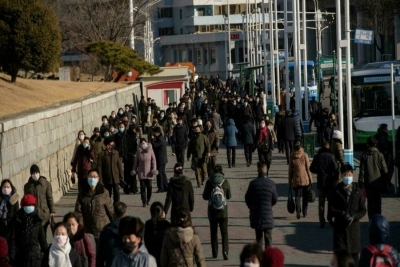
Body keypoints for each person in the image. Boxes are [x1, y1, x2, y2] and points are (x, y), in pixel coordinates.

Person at [330, 164, 367, 265]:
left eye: (350, 174)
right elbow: (331, 209)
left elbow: (363, 210)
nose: (348, 177)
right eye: (346, 175)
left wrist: (354, 217)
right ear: (342, 176)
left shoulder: (357, 192)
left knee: (354, 259)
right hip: (340, 231)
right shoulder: (336, 190)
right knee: (341, 258)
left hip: (353, 230)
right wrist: (340, 214)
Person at [8, 194, 48, 267]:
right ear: (23, 206)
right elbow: (13, 240)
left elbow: (43, 241)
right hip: (20, 257)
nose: (29, 207)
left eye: (31, 205)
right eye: (27, 205)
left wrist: (46, 255)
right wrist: (11, 256)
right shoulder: (17, 221)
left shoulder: (37, 222)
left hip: (35, 257)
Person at [75, 169, 114, 241]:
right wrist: (81, 227)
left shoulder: (104, 193)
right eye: (91, 176)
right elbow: (78, 213)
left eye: (95, 177)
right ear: (87, 178)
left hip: (102, 229)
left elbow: (110, 210)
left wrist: (115, 225)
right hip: (88, 230)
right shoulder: (82, 194)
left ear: (98, 178)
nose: (92, 179)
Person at [245, 162, 278, 249]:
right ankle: (267, 260)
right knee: (268, 241)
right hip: (268, 215)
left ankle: (259, 260)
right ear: (266, 170)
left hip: (257, 215)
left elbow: (247, 199)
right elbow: (275, 199)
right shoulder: (271, 184)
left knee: (258, 240)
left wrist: (252, 207)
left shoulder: (253, 184)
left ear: (257, 170)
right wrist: (268, 205)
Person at [202, 165, 231, 260]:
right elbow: (229, 196)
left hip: (212, 211)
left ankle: (215, 253)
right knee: (224, 233)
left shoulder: (209, 182)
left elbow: (205, 196)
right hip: (223, 211)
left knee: (213, 233)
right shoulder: (225, 181)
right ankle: (225, 251)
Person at [310, 141, 339, 228]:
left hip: (321, 182)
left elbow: (311, 168)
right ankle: (330, 218)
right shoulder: (331, 156)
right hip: (330, 182)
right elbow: (336, 169)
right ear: (328, 147)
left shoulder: (317, 156)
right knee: (330, 201)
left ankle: (322, 221)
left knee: (321, 203)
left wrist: (318, 172)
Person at [359, 136, 388, 219]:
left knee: (370, 202)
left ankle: (371, 219)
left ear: (367, 144)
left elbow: (362, 171)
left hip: (368, 182)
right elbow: (385, 170)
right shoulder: (380, 155)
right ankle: (378, 218)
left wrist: (360, 182)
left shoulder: (364, 155)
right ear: (376, 144)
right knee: (378, 201)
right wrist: (384, 181)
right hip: (378, 182)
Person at [23, 164, 55, 235]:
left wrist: (52, 210)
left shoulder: (46, 184)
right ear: (31, 174)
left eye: (37, 173)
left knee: (43, 233)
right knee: (35, 235)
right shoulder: (27, 186)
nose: (35, 175)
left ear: (39, 173)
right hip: (33, 214)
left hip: (44, 213)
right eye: (33, 173)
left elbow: (49, 197)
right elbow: (26, 199)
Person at [97, 202, 127, 267]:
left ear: (114, 214)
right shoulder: (132, 229)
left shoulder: (106, 230)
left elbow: (100, 255)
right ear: (126, 214)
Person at [288, 140, 313, 219]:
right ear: (301, 146)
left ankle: (298, 210)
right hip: (305, 178)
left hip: (296, 178)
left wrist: (289, 181)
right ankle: (305, 212)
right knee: (305, 196)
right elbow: (308, 168)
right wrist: (311, 179)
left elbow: (290, 170)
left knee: (297, 196)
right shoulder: (304, 155)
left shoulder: (292, 156)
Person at [132, 138, 158, 207]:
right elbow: (136, 162)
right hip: (141, 172)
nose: (143, 144)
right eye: (142, 143)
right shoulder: (138, 151)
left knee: (149, 187)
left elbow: (153, 160)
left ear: (146, 143)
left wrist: (154, 169)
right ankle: (144, 201)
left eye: (144, 143)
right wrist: (134, 170)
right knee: (142, 188)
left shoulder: (150, 150)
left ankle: (148, 199)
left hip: (149, 172)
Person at [144, 202, 171, 266]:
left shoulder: (148, 224)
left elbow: (146, 241)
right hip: (164, 257)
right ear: (162, 212)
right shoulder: (166, 225)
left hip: (151, 256)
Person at [97, 138, 123, 203]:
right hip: (107, 178)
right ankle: (108, 205)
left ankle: (116, 205)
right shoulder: (102, 154)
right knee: (108, 194)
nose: (111, 146)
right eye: (109, 144)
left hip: (115, 177)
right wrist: (100, 177)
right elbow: (99, 167)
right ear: (106, 145)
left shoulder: (116, 153)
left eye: (112, 144)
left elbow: (119, 165)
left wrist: (121, 175)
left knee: (117, 192)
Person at [122, 125, 139, 195]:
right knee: (133, 174)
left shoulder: (125, 137)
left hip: (126, 157)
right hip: (133, 157)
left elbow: (123, 147)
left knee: (126, 175)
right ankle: (134, 189)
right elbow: (136, 147)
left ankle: (126, 189)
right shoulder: (135, 137)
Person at [150, 127, 169, 193]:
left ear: (158, 133)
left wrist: (152, 140)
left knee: (160, 174)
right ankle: (166, 186)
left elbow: (155, 146)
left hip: (160, 159)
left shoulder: (160, 139)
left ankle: (161, 188)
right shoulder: (160, 138)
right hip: (162, 159)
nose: (154, 134)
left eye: (155, 133)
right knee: (163, 173)